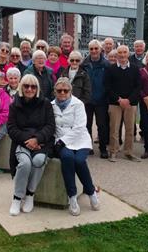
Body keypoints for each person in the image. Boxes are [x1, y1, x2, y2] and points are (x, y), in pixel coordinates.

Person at [7, 74, 55, 216]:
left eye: (33, 86)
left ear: (37, 88)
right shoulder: (15, 105)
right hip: (22, 142)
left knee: (39, 161)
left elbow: (50, 126)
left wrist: (37, 139)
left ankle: (30, 194)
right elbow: (11, 128)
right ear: (22, 87)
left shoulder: (45, 103)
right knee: (25, 164)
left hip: (42, 142)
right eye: (26, 86)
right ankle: (17, 197)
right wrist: (29, 140)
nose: (29, 89)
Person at [51, 77, 100, 216]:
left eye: (65, 90)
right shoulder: (51, 105)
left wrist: (63, 141)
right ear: (55, 91)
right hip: (61, 140)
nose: (62, 93)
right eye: (59, 90)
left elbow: (80, 127)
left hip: (80, 140)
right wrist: (58, 141)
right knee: (67, 158)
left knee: (79, 161)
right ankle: (72, 197)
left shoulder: (78, 104)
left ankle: (91, 192)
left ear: (70, 91)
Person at [105, 45, 141, 162]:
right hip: (115, 103)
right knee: (114, 129)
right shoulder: (111, 69)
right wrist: (119, 100)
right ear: (117, 55)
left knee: (130, 129)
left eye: (124, 52)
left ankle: (128, 152)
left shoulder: (135, 69)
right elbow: (107, 87)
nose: (122, 55)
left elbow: (138, 87)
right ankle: (113, 151)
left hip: (131, 103)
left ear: (128, 54)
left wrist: (128, 100)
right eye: (120, 52)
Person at [82, 40, 110, 159]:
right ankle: (89, 147)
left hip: (101, 99)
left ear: (100, 50)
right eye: (91, 49)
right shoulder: (84, 64)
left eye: (96, 48)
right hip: (88, 100)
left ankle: (103, 148)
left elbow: (109, 83)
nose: (93, 51)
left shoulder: (106, 64)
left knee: (102, 125)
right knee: (87, 124)